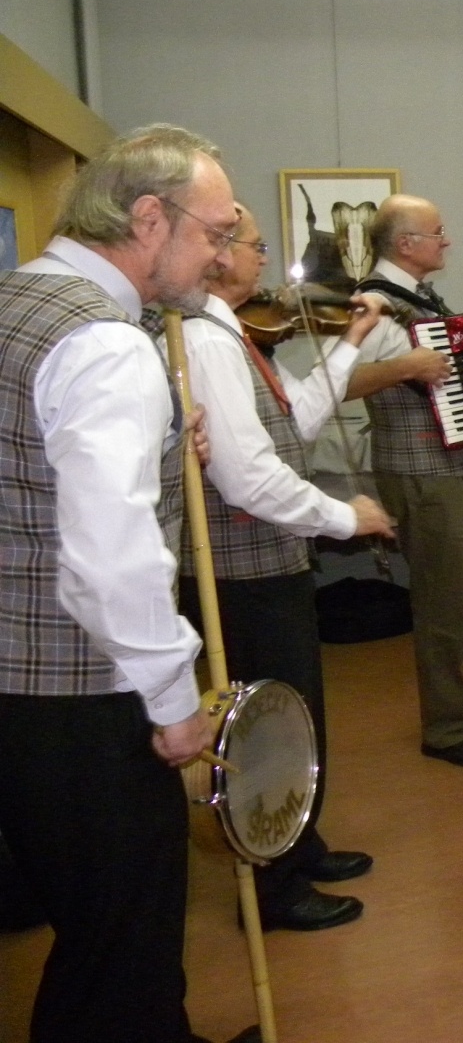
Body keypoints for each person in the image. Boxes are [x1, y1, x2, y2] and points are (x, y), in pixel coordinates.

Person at [0, 124, 255, 1043]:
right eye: (217, 233)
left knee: (90, 924)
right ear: (150, 218)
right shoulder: (106, 345)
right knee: (123, 942)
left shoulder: (22, 296)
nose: (224, 259)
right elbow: (112, 551)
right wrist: (171, 695)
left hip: (16, 686)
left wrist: (153, 429)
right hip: (82, 695)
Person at [169, 202, 397, 930]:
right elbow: (248, 477)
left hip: (269, 562)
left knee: (297, 715)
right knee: (265, 730)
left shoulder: (235, 334)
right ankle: (273, 886)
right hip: (243, 573)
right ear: (217, 253)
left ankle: (299, 843)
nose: (267, 261)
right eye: (257, 246)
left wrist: (353, 340)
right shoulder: (206, 341)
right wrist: (345, 516)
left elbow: (293, 418)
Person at [348, 194, 463, 768]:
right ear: (405, 244)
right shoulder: (371, 304)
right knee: (444, 603)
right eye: (436, 232)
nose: (445, 240)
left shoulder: (423, 299)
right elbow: (339, 382)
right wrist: (405, 366)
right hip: (421, 471)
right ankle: (445, 729)